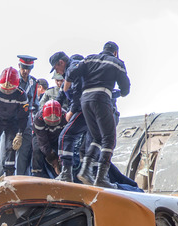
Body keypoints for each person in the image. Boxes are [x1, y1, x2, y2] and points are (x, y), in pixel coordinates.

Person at [65, 41, 130, 188]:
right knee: (109, 138)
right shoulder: (117, 63)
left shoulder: (89, 58)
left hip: (85, 100)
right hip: (101, 98)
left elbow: (71, 73)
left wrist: (66, 88)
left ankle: (86, 170)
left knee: (96, 137)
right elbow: (126, 89)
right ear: (115, 52)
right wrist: (117, 93)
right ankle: (101, 177)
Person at [48, 51, 87, 182]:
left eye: (56, 68)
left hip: (84, 108)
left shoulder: (72, 69)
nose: (57, 72)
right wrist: (52, 107)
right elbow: (61, 95)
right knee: (87, 146)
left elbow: (78, 90)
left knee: (65, 136)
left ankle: (66, 174)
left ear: (61, 63)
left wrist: (72, 110)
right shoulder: (67, 74)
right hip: (88, 108)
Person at [15, 55, 39, 176]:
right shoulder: (12, 79)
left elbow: (36, 104)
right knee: (7, 152)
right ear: (19, 66)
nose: (26, 71)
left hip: (27, 121)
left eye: (29, 69)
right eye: (24, 68)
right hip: (12, 120)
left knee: (24, 153)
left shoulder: (33, 82)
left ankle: (20, 179)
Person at [31, 99, 67, 179]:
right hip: (41, 136)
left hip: (58, 137)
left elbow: (66, 139)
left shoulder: (66, 117)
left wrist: (60, 160)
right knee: (37, 151)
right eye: (49, 120)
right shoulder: (38, 119)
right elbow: (42, 142)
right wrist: (53, 160)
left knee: (64, 153)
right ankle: (37, 174)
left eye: (55, 121)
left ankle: (64, 173)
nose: (52, 122)